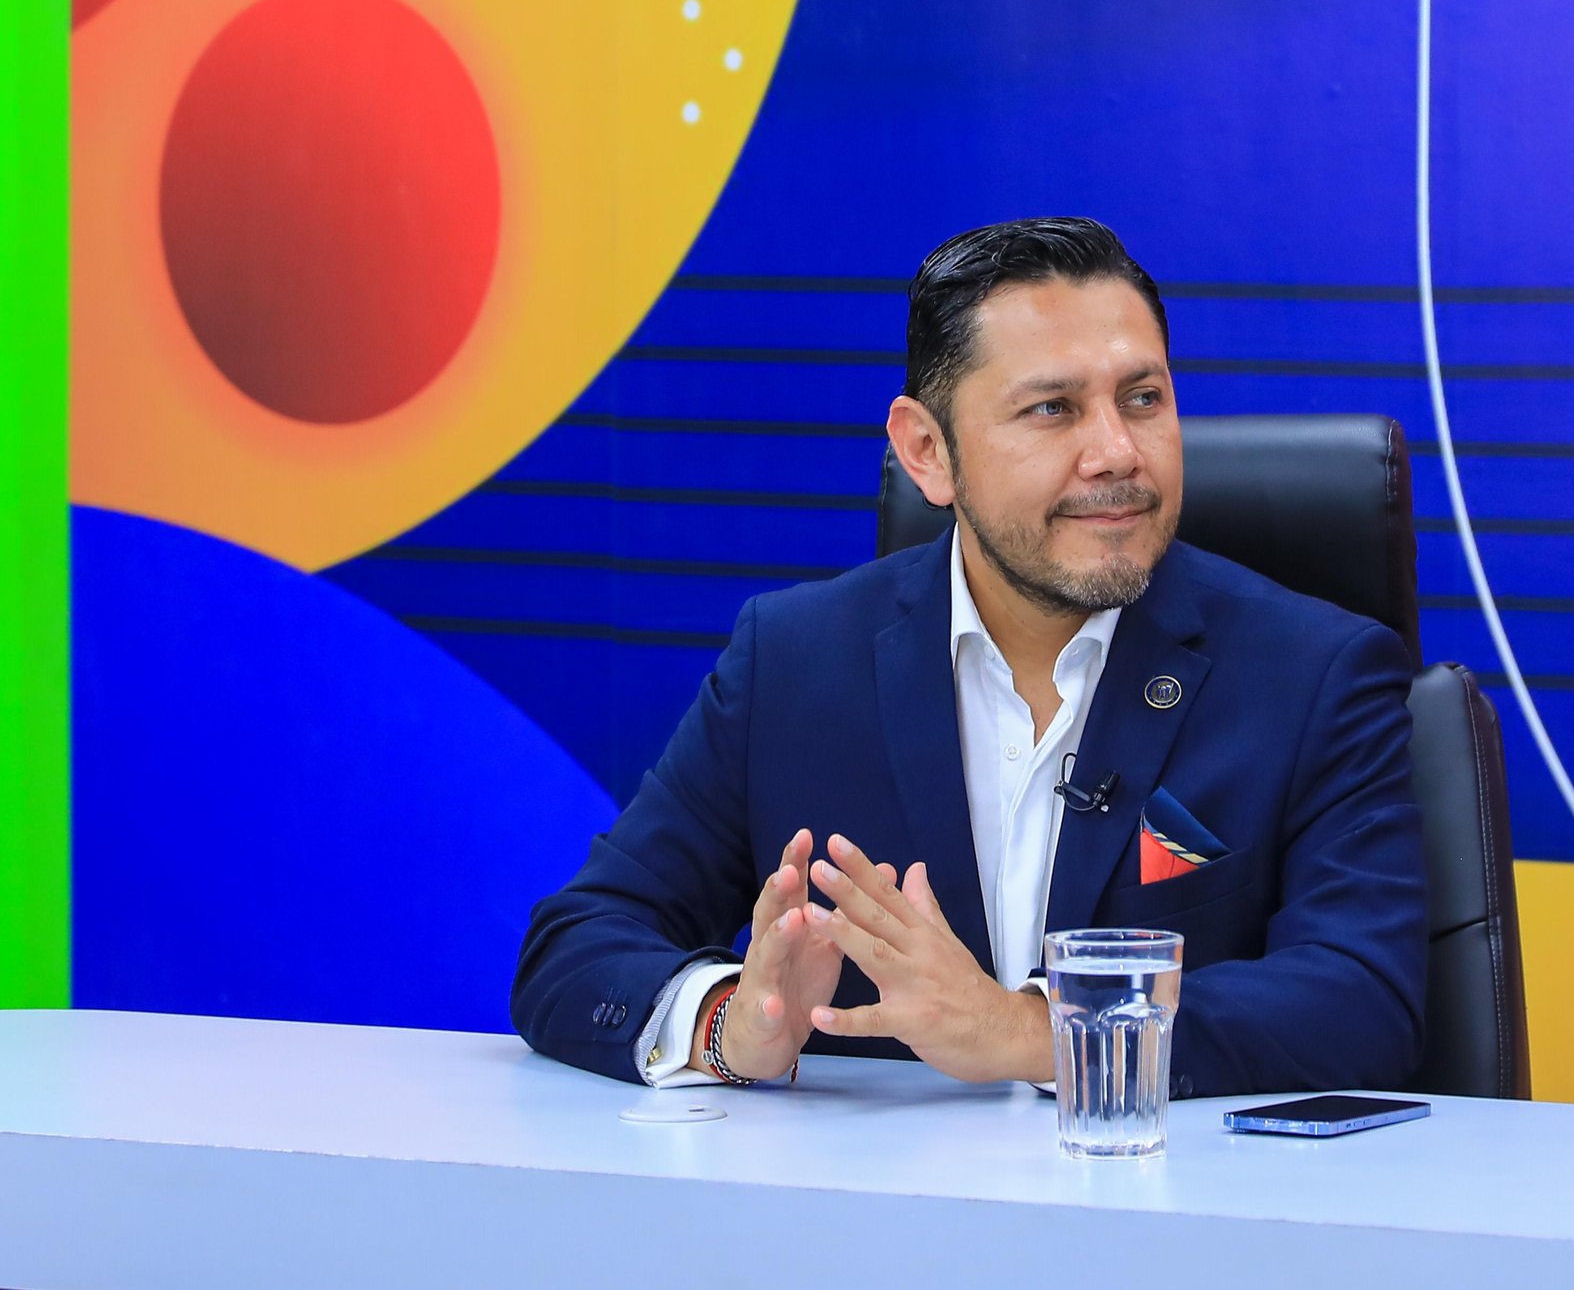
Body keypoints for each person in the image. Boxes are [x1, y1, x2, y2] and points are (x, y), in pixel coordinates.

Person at [512, 216, 1425, 1098]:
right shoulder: (791, 662)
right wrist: (731, 1025)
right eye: (1052, 409)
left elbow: (1363, 999)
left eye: (1143, 399)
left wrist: (1032, 1031)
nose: (1116, 452)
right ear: (928, 452)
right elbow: (580, 943)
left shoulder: (1314, 674)